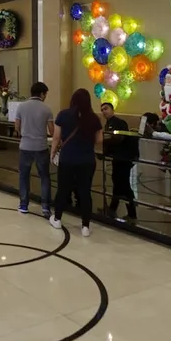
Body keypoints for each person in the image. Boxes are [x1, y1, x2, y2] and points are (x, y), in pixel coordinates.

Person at [49, 88, 103, 237]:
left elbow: (56, 137)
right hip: (87, 160)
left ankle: (57, 219)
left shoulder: (63, 115)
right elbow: (99, 140)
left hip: (67, 158)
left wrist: (52, 153)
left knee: (63, 189)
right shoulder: (94, 118)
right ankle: (85, 226)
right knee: (85, 192)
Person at [14, 82, 53, 217]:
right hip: (41, 147)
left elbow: (17, 127)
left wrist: (25, 132)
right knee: (45, 177)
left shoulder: (21, 107)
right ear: (41, 94)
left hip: (25, 146)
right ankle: (45, 207)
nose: (45, 97)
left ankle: (24, 205)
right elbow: (52, 131)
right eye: (45, 94)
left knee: (24, 176)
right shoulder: (47, 109)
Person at [100, 102, 137, 221]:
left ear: (112, 110)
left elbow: (118, 139)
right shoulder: (108, 124)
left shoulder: (119, 123)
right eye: (102, 110)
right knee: (117, 182)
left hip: (124, 158)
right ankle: (113, 208)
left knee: (123, 184)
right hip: (117, 157)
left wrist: (103, 142)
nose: (104, 112)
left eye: (106, 109)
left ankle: (132, 213)